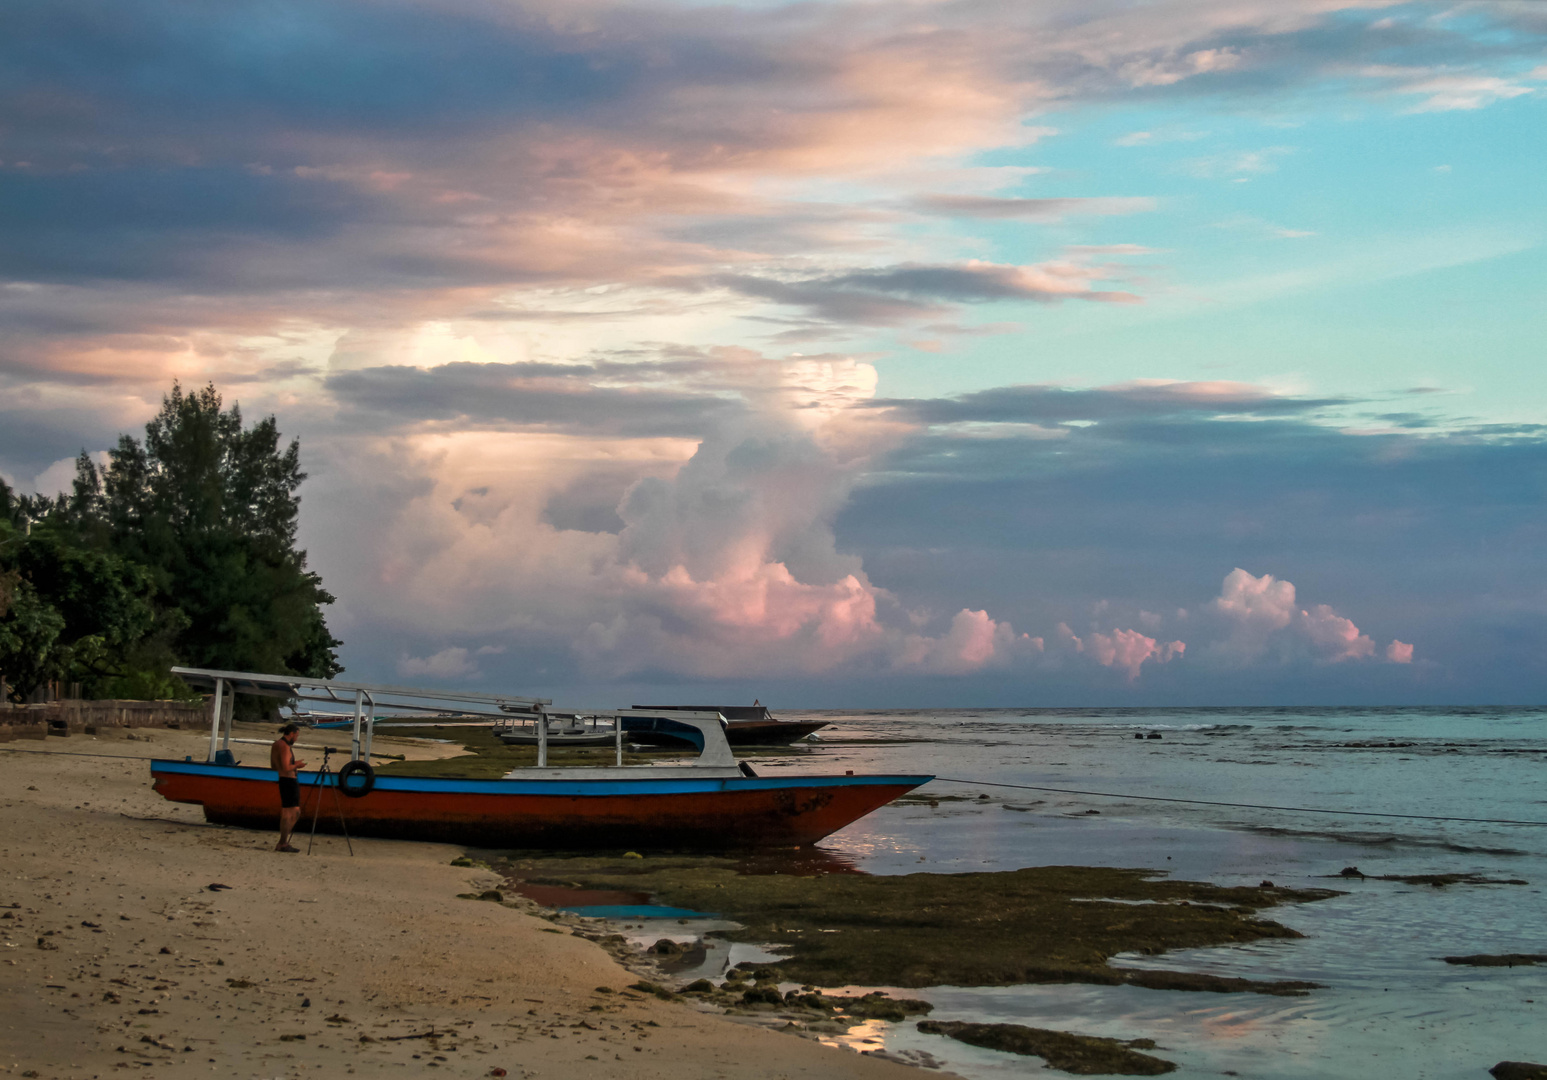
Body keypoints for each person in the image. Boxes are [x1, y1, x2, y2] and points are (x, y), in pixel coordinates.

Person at [270, 723, 308, 853]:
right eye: (296, 735)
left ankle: (283, 841)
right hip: (289, 781)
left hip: (283, 780)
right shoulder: (285, 747)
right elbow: (286, 767)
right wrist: (296, 765)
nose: (296, 739)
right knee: (292, 812)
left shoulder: (276, 744)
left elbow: (274, 766)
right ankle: (283, 842)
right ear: (291, 734)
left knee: (290, 811)